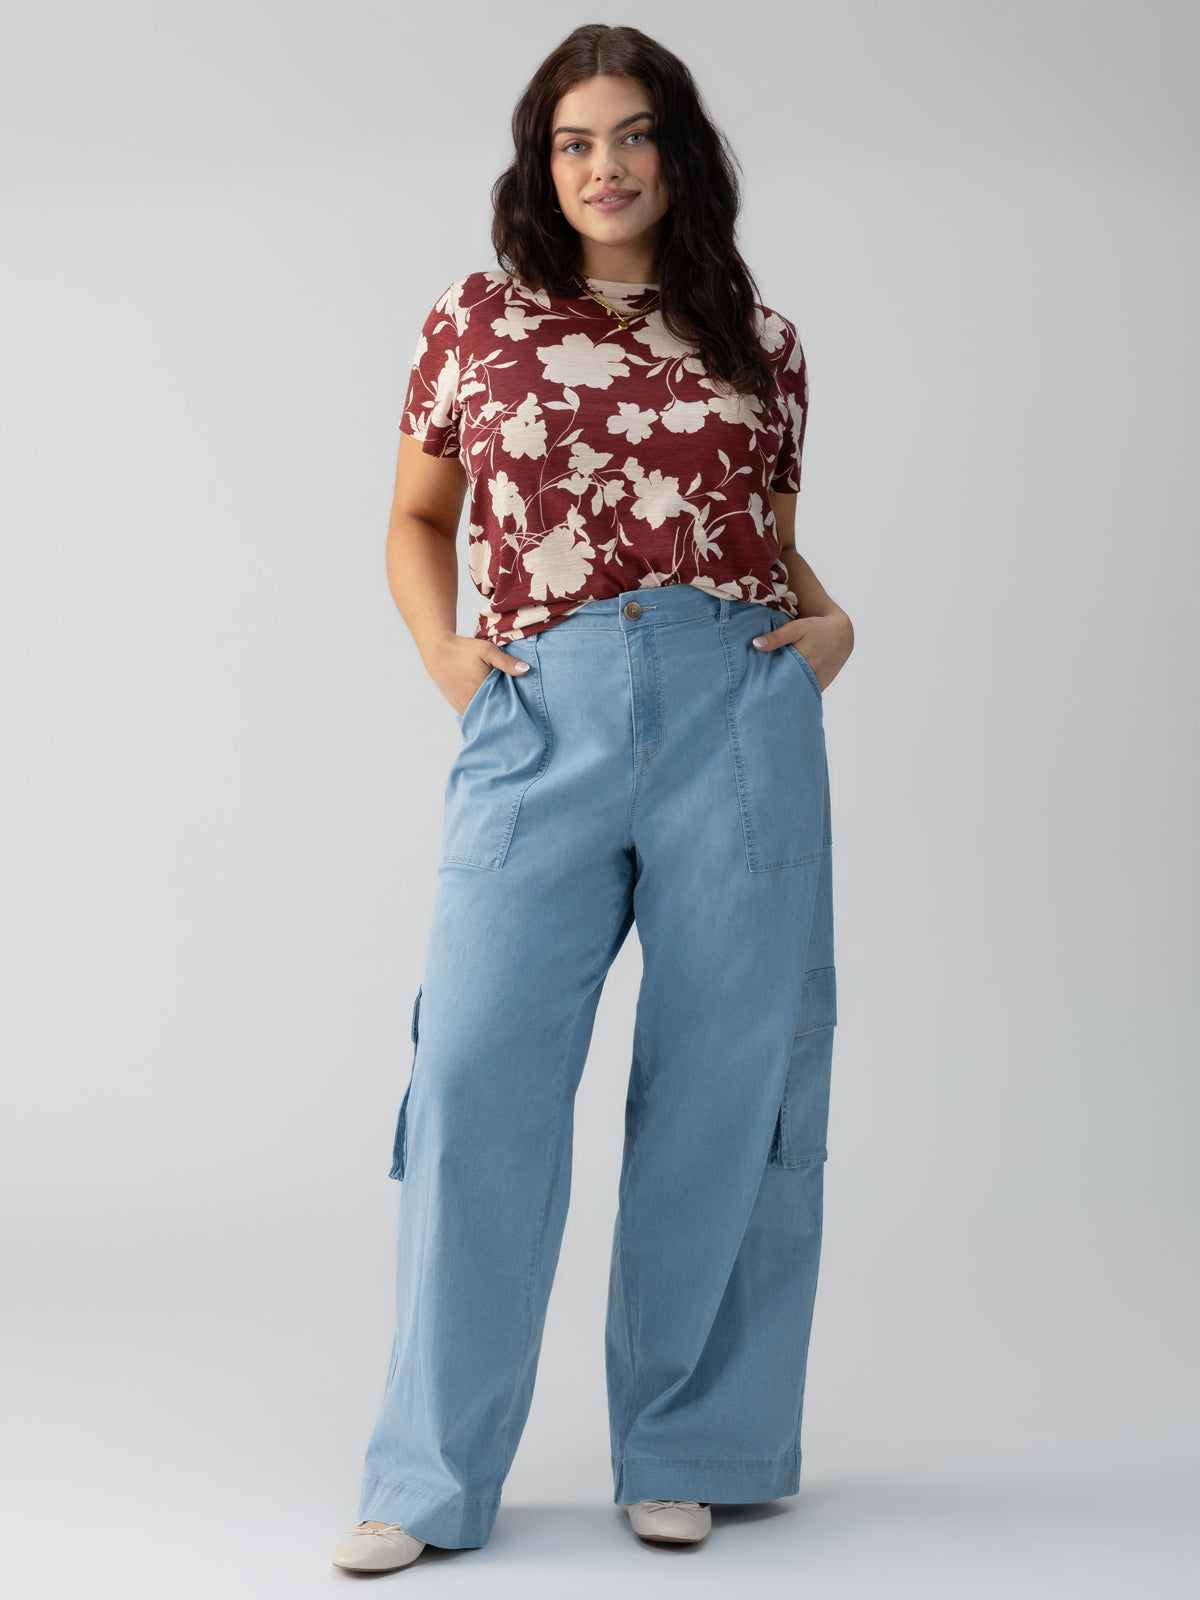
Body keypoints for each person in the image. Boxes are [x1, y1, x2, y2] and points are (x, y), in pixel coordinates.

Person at [330, 22, 854, 1573]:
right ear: (539, 163)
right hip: (535, 708)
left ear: (678, 154)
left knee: (726, 1083)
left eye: (633, 137)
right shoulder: (478, 321)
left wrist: (833, 629)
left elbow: (768, 539)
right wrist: (446, 658)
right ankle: (426, 1475)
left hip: (738, 713)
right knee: (479, 1074)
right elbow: (418, 519)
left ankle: (689, 1443)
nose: (605, 166)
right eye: (574, 142)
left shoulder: (760, 336)